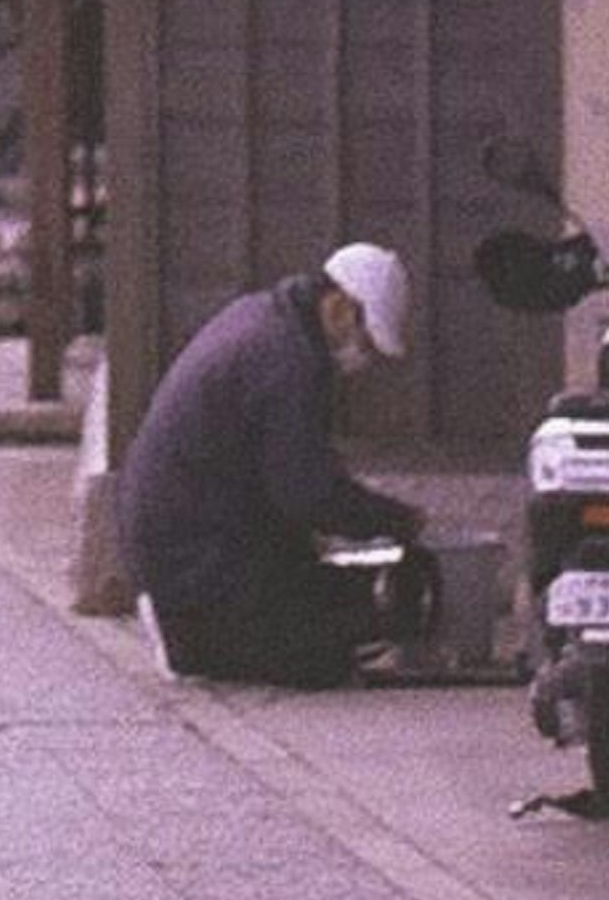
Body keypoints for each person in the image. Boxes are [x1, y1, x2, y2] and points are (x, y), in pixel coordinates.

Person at [119, 240, 429, 687]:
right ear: (340, 309)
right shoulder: (288, 362)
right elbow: (307, 491)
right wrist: (397, 520)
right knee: (331, 648)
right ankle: (191, 642)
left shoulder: (263, 318)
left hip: (191, 546)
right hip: (199, 569)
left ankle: (190, 628)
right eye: (366, 342)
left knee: (340, 599)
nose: (362, 358)